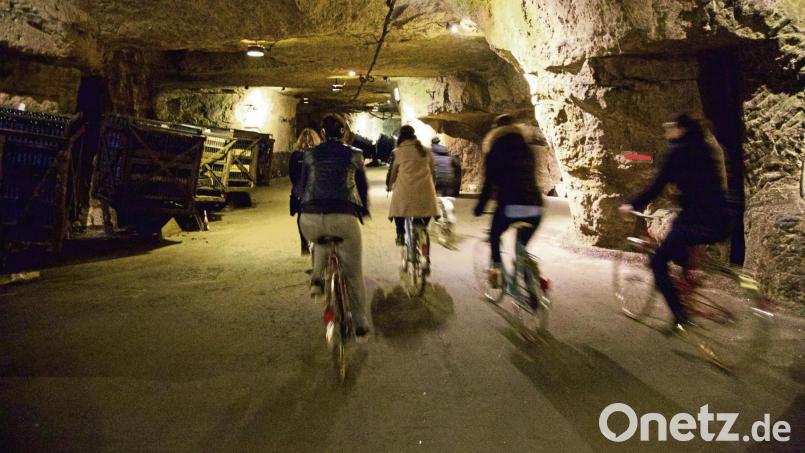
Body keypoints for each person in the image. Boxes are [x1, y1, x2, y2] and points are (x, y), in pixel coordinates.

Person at [619, 114, 730, 329]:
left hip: (697, 220)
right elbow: (706, 185)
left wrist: (632, 204)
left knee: (658, 262)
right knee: (678, 247)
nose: (665, 132)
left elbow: (656, 185)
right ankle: (688, 284)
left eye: (668, 128)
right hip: (721, 218)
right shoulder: (706, 148)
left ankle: (680, 315)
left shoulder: (677, 152)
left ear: (680, 129)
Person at [299, 114, 371, 338]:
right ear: (344, 133)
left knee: (320, 239)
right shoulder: (355, 155)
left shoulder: (309, 155)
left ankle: (317, 280)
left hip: (309, 217)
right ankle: (359, 325)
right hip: (342, 215)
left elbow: (302, 187)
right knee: (353, 274)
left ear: (321, 134)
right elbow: (362, 187)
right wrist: (363, 210)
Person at [473, 114, 543, 306]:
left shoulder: (495, 149)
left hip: (510, 206)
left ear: (495, 132)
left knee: (495, 236)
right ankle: (531, 284)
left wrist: (480, 207)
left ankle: (496, 273)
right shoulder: (527, 149)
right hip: (536, 206)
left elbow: (489, 184)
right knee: (521, 248)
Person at [387, 125, 440, 254]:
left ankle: (400, 233)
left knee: (398, 209)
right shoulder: (426, 151)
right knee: (424, 213)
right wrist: (433, 185)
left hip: (405, 192)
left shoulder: (398, 152)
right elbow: (433, 171)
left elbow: (393, 173)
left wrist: (389, 186)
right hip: (425, 191)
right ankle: (421, 230)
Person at [289, 128, 322, 255]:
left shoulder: (295, 156)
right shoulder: (318, 155)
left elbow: (291, 174)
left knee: (300, 217)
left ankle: (304, 243)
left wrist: (297, 186)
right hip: (315, 190)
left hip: (299, 191)